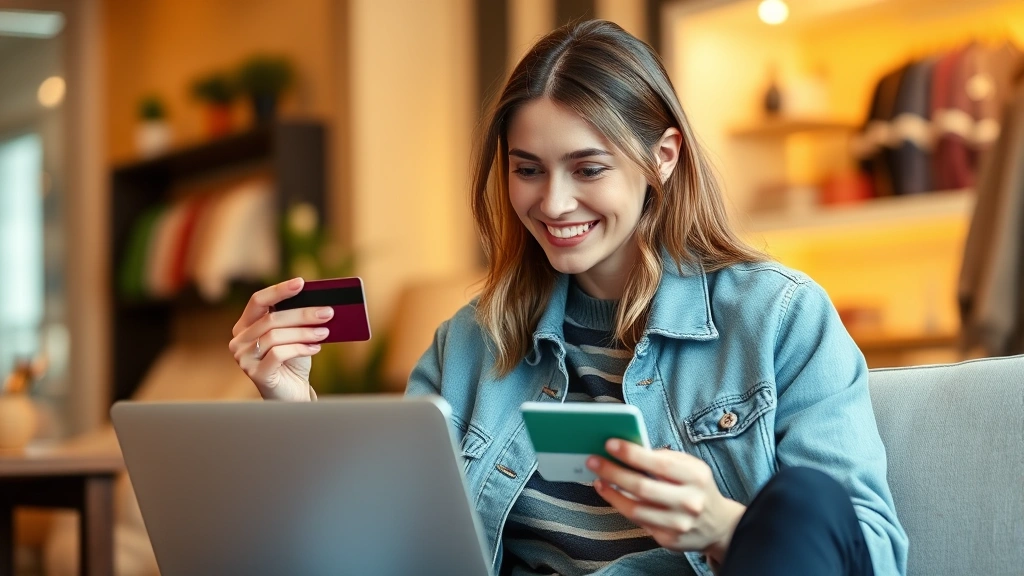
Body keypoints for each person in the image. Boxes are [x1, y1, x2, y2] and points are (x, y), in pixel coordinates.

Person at [229, 19, 907, 576]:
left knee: (807, 501)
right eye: (528, 170)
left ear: (662, 157)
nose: (553, 203)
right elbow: (388, 550)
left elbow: (869, 553)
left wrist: (723, 526)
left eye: (588, 168)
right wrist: (295, 410)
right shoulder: (469, 346)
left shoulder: (778, 320)